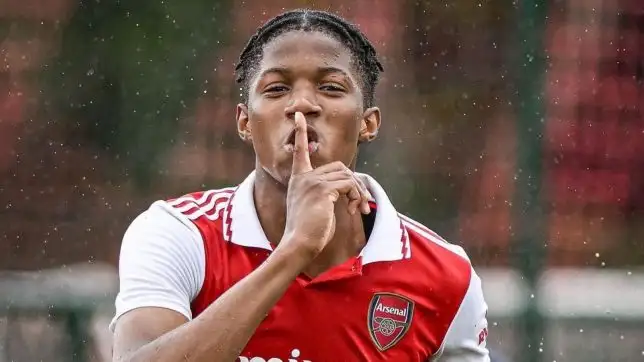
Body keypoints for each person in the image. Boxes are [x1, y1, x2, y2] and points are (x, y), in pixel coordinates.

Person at [110, 8, 489, 362]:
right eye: (276, 89)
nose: (302, 104)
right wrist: (294, 251)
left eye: (331, 88)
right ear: (244, 122)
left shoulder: (445, 276)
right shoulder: (178, 233)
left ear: (368, 124)